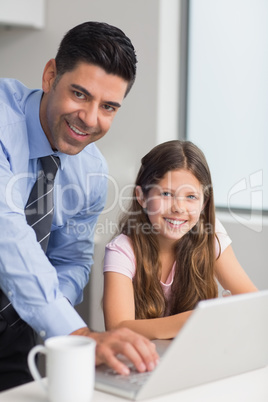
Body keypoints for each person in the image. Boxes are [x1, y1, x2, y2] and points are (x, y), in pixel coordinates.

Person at [0, 21, 158, 391]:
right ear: (50, 74)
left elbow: (71, 260)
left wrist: (52, 323)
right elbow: (7, 237)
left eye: (108, 107)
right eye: (80, 94)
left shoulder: (91, 169)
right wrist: (77, 330)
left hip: (15, 339)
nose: (89, 118)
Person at [103, 140, 258, 339]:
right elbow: (117, 329)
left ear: (204, 203)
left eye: (191, 197)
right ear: (141, 197)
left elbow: (252, 302)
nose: (178, 208)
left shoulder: (211, 236)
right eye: (166, 194)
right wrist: (191, 321)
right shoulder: (122, 250)